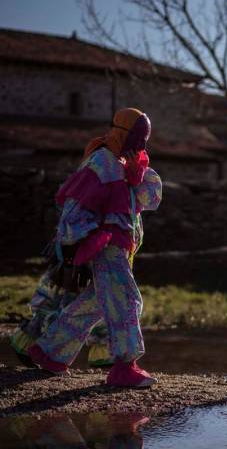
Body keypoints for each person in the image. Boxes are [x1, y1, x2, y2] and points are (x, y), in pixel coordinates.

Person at [26, 108, 162, 387]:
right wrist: (87, 238)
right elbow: (75, 205)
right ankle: (124, 366)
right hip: (106, 247)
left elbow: (148, 200)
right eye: (137, 137)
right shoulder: (101, 162)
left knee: (96, 304)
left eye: (144, 138)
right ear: (123, 132)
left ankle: (50, 352)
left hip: (120, 247)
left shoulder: (124, 165)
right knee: (126, 300)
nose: (141, 144)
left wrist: (139, 171)